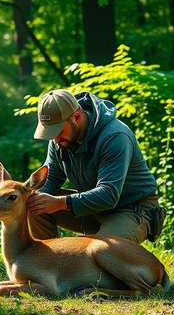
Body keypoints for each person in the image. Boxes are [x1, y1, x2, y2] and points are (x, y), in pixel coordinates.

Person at [26, 89, 165, 243]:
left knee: (101, 252)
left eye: (58, 131)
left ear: (76, 117)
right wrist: (26, 198)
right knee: (35, 204)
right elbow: (51, 179)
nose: (55, 139)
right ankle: (45, 264)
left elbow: (109, 194)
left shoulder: (115, 136)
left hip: (132, 210)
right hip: (93, 209)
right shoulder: (60, 140)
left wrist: (60, 203)